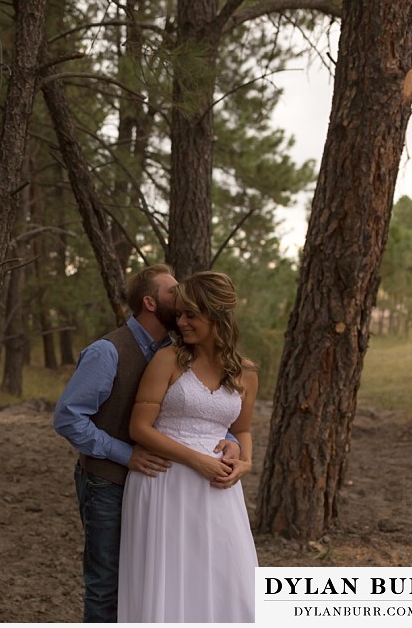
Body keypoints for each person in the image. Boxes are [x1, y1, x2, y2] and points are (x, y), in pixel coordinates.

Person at [53, 264, 243, 623]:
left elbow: (193, 411)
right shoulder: (107, 351)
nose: (182, 297)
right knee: (106, 583)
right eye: (174, 293)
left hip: (160, 487)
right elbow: (67, 417)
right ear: (151, 302)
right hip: (106, 481)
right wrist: (125, 454)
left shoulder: (177, 351)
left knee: (146, 578)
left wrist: (230, 440)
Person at [118, 271, 259, 623]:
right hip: (165, 483)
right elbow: (139, 428)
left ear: (217, 315)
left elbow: (241, 430)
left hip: (219, 490)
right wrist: (197, 461)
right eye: (179, 313)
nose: (180, 322)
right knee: (170, 578)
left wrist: (245, 462)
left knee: (227, 576)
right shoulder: (168, 360)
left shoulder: (246, 372)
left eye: (190, 314)